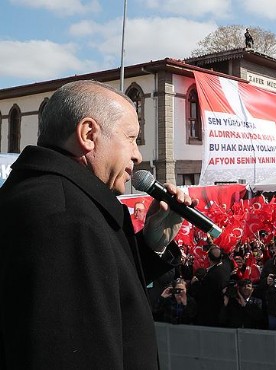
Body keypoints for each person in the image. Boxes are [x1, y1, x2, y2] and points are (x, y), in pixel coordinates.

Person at [0, 80, 190, 369]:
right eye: (130, 138)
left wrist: (152, 245)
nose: (137, 154)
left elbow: (102, 293)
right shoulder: (64, 217)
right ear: (89, 134)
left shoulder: (56, 199)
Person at [194, 246, 233, 326]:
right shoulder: (227, 265)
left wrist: (195, 283)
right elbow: (227, 258)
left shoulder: (211, 276)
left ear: (208, 258)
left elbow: (202, 293)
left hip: (212, 312)